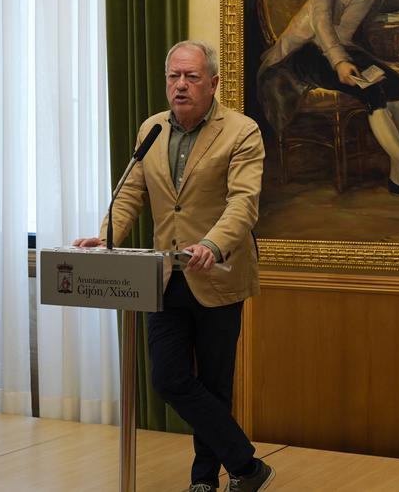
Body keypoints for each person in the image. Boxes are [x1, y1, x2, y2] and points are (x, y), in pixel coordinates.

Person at [73, 41, 272, 492]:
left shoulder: (241, 131)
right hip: (163, 276)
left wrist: (212, 244)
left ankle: (204, 480)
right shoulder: (153, 129)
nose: (180, 86)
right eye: (173, 77)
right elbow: (130, 194)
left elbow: (244, 203)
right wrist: (106, 235)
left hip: (217, 274)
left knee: (214, 383)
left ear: (213, 83)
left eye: (191, 77)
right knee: (168, 377)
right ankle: (246, 465)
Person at [257, 0, 399, 203]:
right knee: (370, 89)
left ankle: (397, 177)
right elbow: (321, 18)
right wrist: (338, 62)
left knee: (393, 83)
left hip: (344, 47)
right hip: (308, 49)